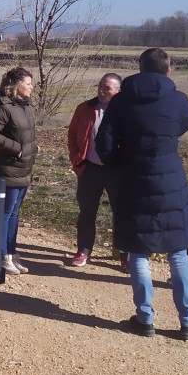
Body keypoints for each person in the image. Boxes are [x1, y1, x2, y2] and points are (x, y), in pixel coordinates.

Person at [96, 48, 188, 340]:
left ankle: (144, 318)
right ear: (168, 70)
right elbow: (182, 127)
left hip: (133, 180)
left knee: (138, 251)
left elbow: (104, 145)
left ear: (139, 68)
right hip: (171, 180)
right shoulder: (179, 100)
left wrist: (122, 163)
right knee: (179, 252)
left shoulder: (121, 101)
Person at [66, 73, 122, 267]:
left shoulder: (126, 110)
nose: (101, 90)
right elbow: (72, 134)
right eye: (100, 86)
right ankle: (84, 251)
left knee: (121, 213)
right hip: (90, 169)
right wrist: (76, 158)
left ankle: (124, 254)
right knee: (87, 212)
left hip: (117, 171)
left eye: (107, 88)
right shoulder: (85, 108)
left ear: (118, 90)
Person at [0, 67, 38, 276]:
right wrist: (17, 149)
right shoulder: (3, 107)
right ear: (16, 86)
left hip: (23, 169)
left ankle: (11, 253)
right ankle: (1, 255)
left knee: (14, 214)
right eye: (28, 83)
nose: (31, 87)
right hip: (6, 170)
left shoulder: (24, 106)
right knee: (5, 214)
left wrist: (32, 148)